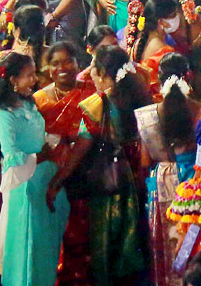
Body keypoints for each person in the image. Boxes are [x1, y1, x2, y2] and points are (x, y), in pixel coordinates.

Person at [63, 44, 151, 286]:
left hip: (106, 184)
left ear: (103, 74)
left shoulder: (98, 104)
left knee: (105, 242)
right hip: (135, 180)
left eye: (93, 68)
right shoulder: (140, 95)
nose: (90, 73)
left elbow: (80, 149)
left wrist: (57, 179)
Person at [0, 51, 70, 286]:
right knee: (29, 244)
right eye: (28, 75)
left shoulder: (28, 103)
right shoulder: (4, 115)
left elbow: (36, 135)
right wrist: (40, 156)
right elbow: (11, 155)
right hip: (26, 185)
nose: (34, 80)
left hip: (47, 179)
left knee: (46, 243)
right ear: (13, 80)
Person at [134, 53, 201, 286]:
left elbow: (145, 161)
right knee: (194, 240)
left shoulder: (147, 116)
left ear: (159, 79)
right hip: (196, 181)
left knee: (165, 244)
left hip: (162, 181)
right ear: (189, 76)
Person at [32, 41, 94, 286]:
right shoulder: (40, 99)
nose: (63, 68)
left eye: (68, 61)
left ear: (78, 63)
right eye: (55, 63)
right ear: (47, 69)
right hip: (51, 169)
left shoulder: (90, 91)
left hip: (85, 167)